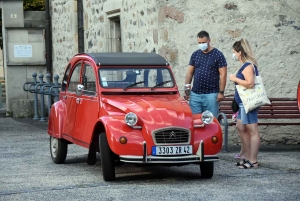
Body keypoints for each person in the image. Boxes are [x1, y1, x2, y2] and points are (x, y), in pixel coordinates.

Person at [229, 38, 260, 169]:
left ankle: (253, 160)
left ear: (239, 52)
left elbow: (250, 83)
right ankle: (247, 156)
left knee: (252, 130)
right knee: (241, 127)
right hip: (242, 104)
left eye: (234, 52)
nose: (234, 55)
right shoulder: (245, 65)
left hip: (248, 103)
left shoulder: (248, 66)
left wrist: (235, 78)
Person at [184, 31, 227, 117]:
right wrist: (187, 90)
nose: (201, 44)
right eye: (199, 43)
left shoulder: (218, 55)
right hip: (196, 95)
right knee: (195, 121)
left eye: (203, 42)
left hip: (211, 95)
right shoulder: (195, 54)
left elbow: (223, 75)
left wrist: (221, 92)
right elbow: (189, 73)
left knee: (211, 122)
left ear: (209, 41)